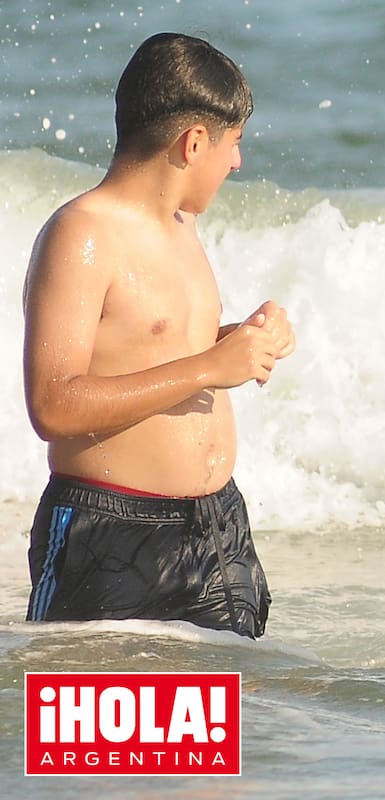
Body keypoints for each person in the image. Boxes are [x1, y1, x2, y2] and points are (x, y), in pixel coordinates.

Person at [21, 33, 296, 639]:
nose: (236, 163)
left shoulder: (181, 227)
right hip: (112, 535)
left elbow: (151, 350)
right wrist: (209, 369)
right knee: (99, 731)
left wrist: (239, 343)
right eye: (234, 143)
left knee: (218, 733)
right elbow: (54, 404)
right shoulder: (82, 233)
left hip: (217, 532)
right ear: (193, 142)